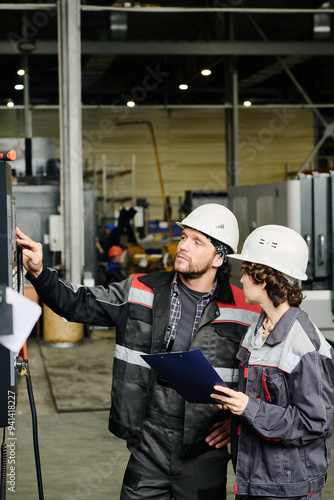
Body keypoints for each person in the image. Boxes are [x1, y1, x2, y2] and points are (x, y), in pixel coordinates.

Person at [16, 203, 261, 500]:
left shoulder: (245, 310)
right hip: (148, 441)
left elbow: (265, 381)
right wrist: (39, 272)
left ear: (219, 258)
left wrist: (236, 420)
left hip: (204, 445)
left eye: (198, 242)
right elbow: (76, 303)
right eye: (184, 237)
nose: (183, 246)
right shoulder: (140, 289)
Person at [211, 224, 334, 500]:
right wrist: (232, 404)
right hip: (254, 477)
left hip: (288, 487)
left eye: (245, 273)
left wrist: (247, 407)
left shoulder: (306, 346)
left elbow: (314, 423)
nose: (241, 281)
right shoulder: (255, 330)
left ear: (264, 278)